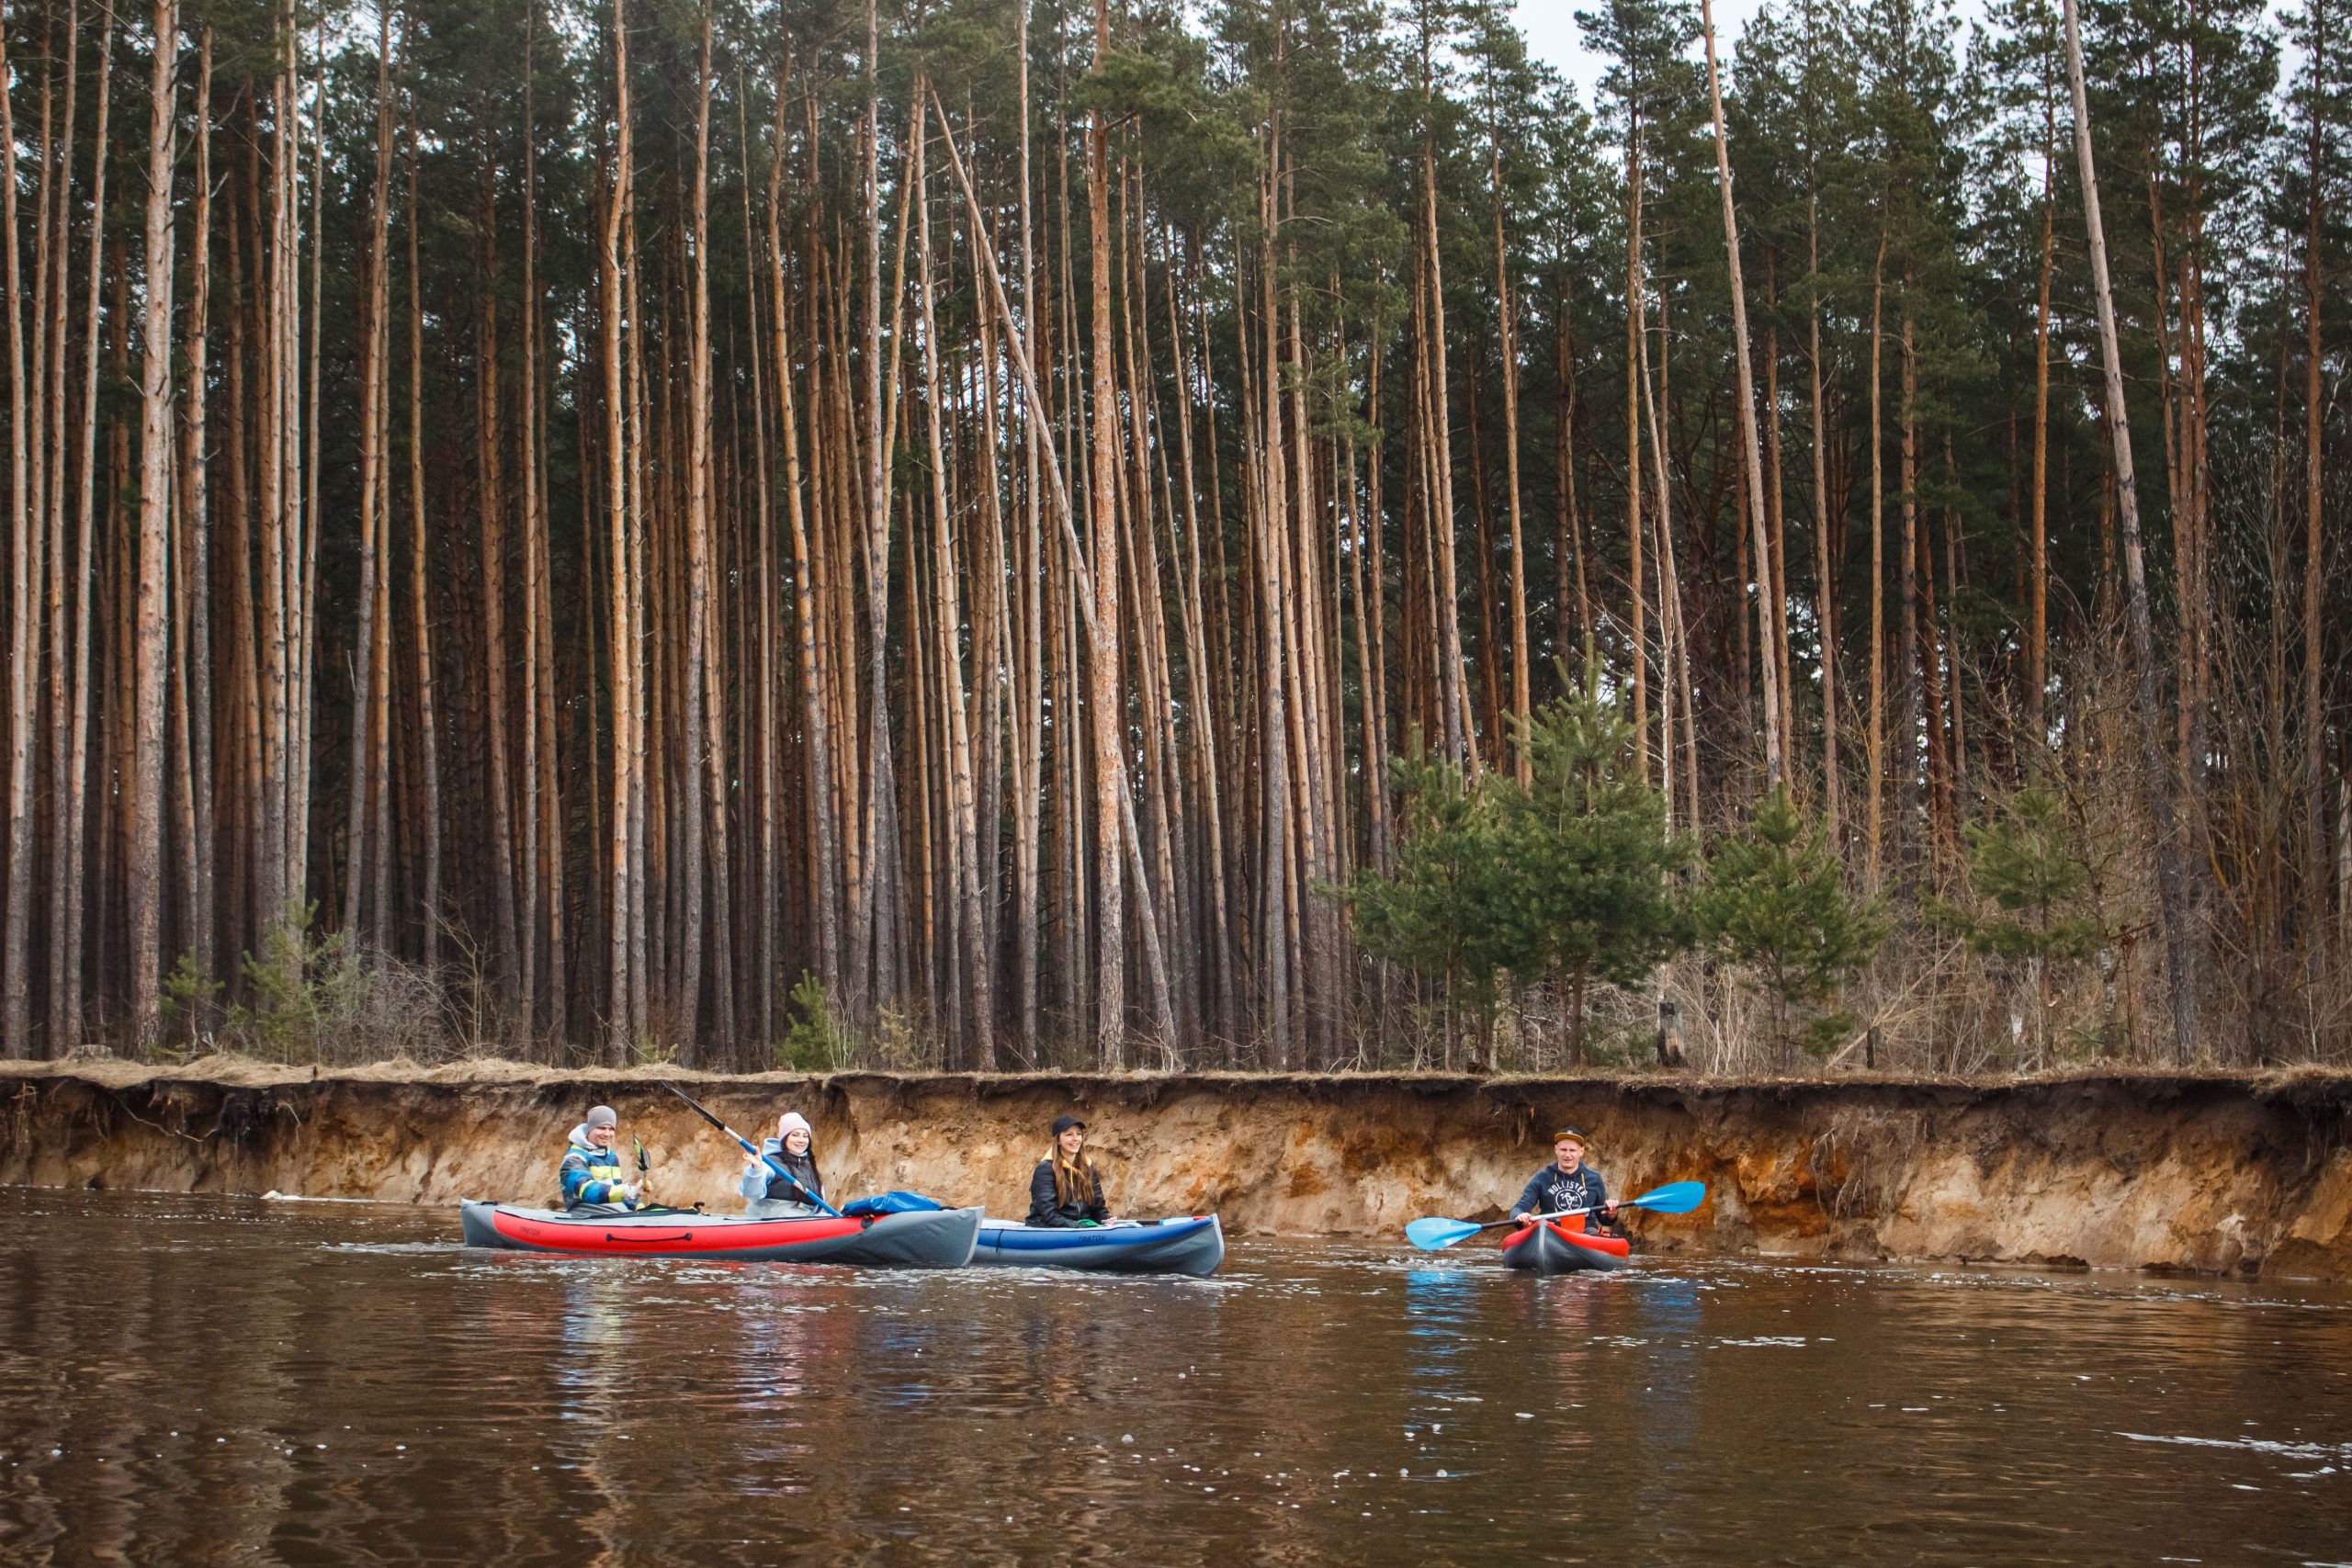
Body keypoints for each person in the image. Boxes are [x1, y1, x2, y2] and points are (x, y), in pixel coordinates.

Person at [1510, 1128, 1617, 1234]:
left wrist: (1611, 1214)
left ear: (1581, 1151)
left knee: (1592, 1232)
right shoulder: (1541, 1178)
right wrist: (1519, 1215)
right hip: (1550, 1233)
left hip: (1586, 1234)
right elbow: (1520, 1207)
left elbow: (1604, 1219)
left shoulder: (1594, 1179)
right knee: (1541, 1231)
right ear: (1556, 1150)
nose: (1567, 1155)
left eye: (1572, 1150)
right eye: (1563, 1150)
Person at [1026, 1113, 1113, 1227]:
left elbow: (1098, 1205)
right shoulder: (1045, 1170)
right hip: (1048, 1228)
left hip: (1079, 1226)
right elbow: (1049, 1214)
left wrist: (1104, 1219)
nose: (1075, 1139)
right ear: (1058, 1140)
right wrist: (1078, 1226)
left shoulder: (1088, 1166)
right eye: (1069, 1134)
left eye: (1079, 1134)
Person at [559, 1105, 648, 1211]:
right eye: (601, 1128)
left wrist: (639, 1207)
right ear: (590, 1129)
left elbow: (615, 1193)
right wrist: (628, 1191)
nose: (607, 1134)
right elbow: (588, 1192)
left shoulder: (611, 1156)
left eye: (611, 1129)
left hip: (611, 1214)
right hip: (585, 1216)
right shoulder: (573, 1159)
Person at [740, 1111, 828, 1215]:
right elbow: (750, 1192)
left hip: (805, 1223)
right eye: (795, 1135)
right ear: (785, 1139)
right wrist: (756, 1169)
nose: (801, 1140)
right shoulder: (770, 1164)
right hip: (772, 1223)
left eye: (805, 1136)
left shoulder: (810, 1170)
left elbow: (818, 1209)